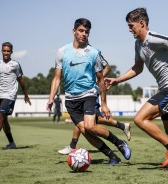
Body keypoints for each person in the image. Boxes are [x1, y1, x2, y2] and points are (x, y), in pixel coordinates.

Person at [105, 8, 168, 168]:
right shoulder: (138, 44)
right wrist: (117, 80)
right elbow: (137, 68)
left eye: (131, 25)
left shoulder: (152, 37)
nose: (129, 29)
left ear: (142, 23)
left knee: (140, 119)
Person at [46, 18, 131, 165]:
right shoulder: (62, 52)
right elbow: (56, 78)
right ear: (74, 31)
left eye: (87, 32)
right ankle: (112, 157)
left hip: (88, 94)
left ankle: (120, 143)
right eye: (81, 31)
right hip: (71, 99)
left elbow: (100, 80)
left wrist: (104, 104)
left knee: (90, 126)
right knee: (85, 131)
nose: (84, 34)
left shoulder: (94, 52)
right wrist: (51, 98)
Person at [58, 64, 131, 155]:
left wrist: (98, 79)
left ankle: (72, 146)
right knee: (93, 119)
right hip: (82, 93)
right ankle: (123, 127)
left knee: (87, 121)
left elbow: (107, 67)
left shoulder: (93, 53)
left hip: (90, 93)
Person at [0, 42, 31, 150]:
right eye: (4, 51)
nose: (6, 53)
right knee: (3, 120)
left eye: (8, 51)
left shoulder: (15, 64)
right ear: (1, 51)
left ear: (11, 52)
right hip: (0, 95)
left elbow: (21, 80)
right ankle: (11, 143)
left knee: (0, 117)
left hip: (10, 96)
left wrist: (26, 94)